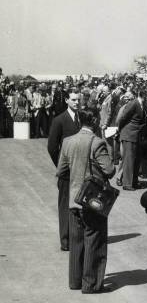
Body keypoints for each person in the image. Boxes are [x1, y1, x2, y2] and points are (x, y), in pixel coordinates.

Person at [56, 109, 115, 293]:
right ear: (96, 120)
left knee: (76, 242)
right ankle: (91, 284)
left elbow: (61, 171)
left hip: (75, 199)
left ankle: (75, 281)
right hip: (92, 200)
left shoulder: (68, 142)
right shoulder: (97, 143)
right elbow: (110, 170)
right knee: (94, 240)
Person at [47, 91, 81, 251]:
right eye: (74, 100)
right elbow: (52, 147)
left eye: (79, 100)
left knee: (80, 204)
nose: (77, 103)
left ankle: (78, 238)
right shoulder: (59, 120)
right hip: (67, 172)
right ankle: (65, 240)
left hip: (81, 171)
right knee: (65, 205)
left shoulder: (82, 118)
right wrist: (61, 167)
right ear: (67, 100)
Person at [116, 89, 146, 190]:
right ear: (142, 95)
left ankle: (133, 181)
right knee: (129, 160)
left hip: (135, 134)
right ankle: (127, 184)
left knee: (136, 159)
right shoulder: (134, 103)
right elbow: (123, 117)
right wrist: (121, 130)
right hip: (129, 134)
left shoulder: (140, 104)